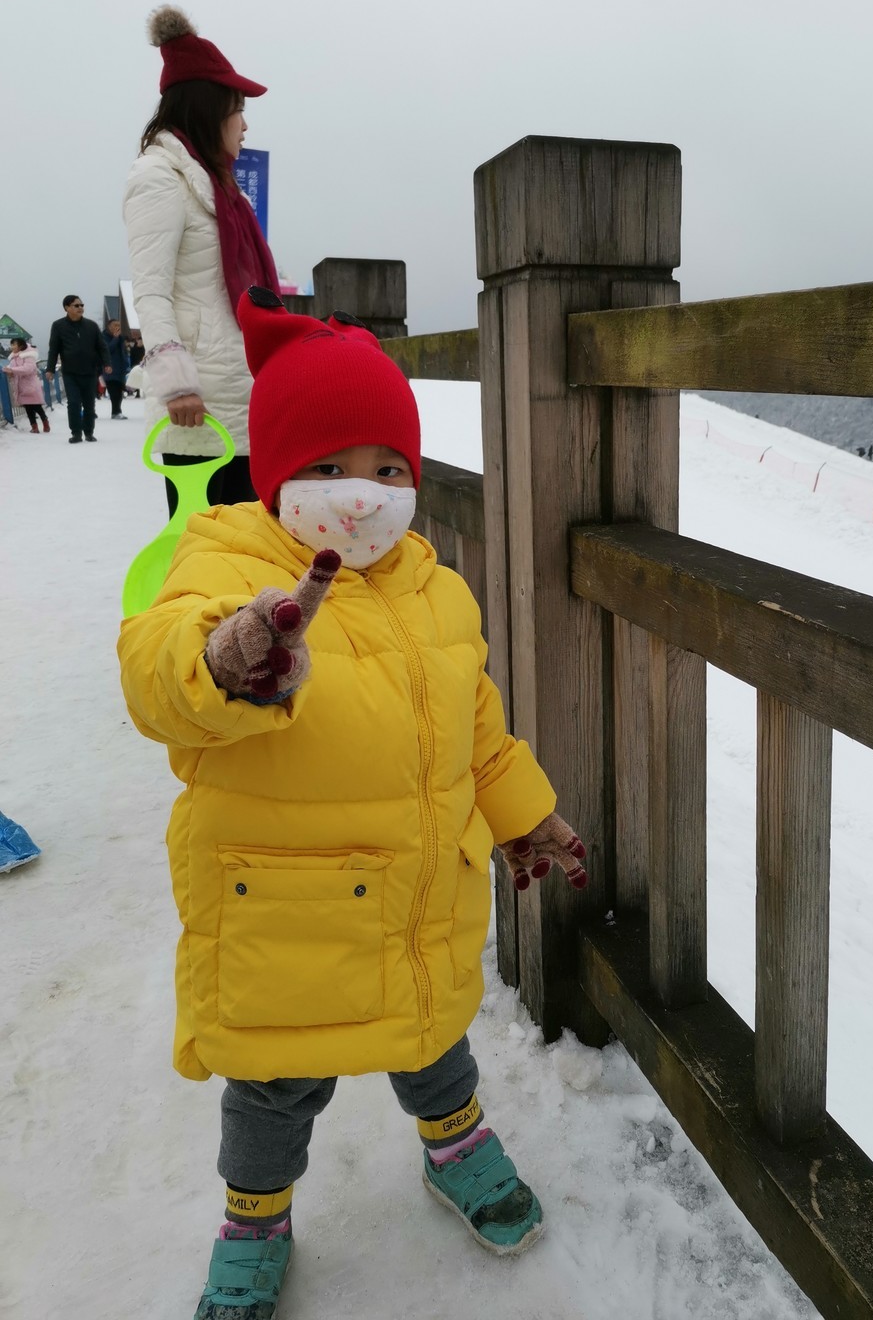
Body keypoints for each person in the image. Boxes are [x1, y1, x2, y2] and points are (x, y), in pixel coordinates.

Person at [117, 289, 588, 1320]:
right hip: (283, 920)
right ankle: (255, 1217)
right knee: (274, 1090)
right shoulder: (231, 562)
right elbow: (158, 669)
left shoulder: (438, 588)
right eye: (329, 468)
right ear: (278, 472)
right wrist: (231, 659)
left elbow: (479, 731)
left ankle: (454, 1145)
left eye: (388, 471)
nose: (363, 497)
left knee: (430, 1037)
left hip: (417, 901)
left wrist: (526, 814)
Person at [123, 5, 277, 514]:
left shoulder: (219, 188)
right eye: (238, 111)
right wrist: (178, 385)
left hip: (239, 398)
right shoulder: (160, 178)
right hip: (198, 411)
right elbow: (151, 289)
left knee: (248, 559)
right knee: (204, 561)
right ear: (210, 110)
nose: (244, 127)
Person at [45, 295, 108, 442]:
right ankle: (76, 433)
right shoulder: (58, 326)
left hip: (90, 371)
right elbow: (54, 349)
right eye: (76, 305)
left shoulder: (91, 326)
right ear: (67, 308)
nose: (80, 308)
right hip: (70, 372)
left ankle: (89, 432)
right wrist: (49, 369)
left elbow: (102, 347)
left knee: (89, 403)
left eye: (81, 305)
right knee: (73, 402)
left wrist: (107, 363)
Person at [2, 338, 49, 432]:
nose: (12, 347)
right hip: (21, 386)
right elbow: (12, 368)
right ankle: (34, 427)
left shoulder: (28, 356)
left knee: (36, 406)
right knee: (28, 407)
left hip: (30, 385)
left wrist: (12, 370)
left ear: (21, 345)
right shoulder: (13, 357)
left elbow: (28, 369)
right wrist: (9, 371)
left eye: (14, 344)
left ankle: (45, 423)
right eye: (11, 345)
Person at [102, 318, 129, 418]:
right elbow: (107, 350)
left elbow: (124, 352)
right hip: (109, 368)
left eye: (118, 325)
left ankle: (118, 411)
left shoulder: (121, 338)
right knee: (113, 392)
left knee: (119, 391)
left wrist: (126, 364)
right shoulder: (103, 337)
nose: (117, 327)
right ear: (109, 326)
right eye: (115, 325)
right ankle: (116, 412)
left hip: (121, 369)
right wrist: (115, 338)